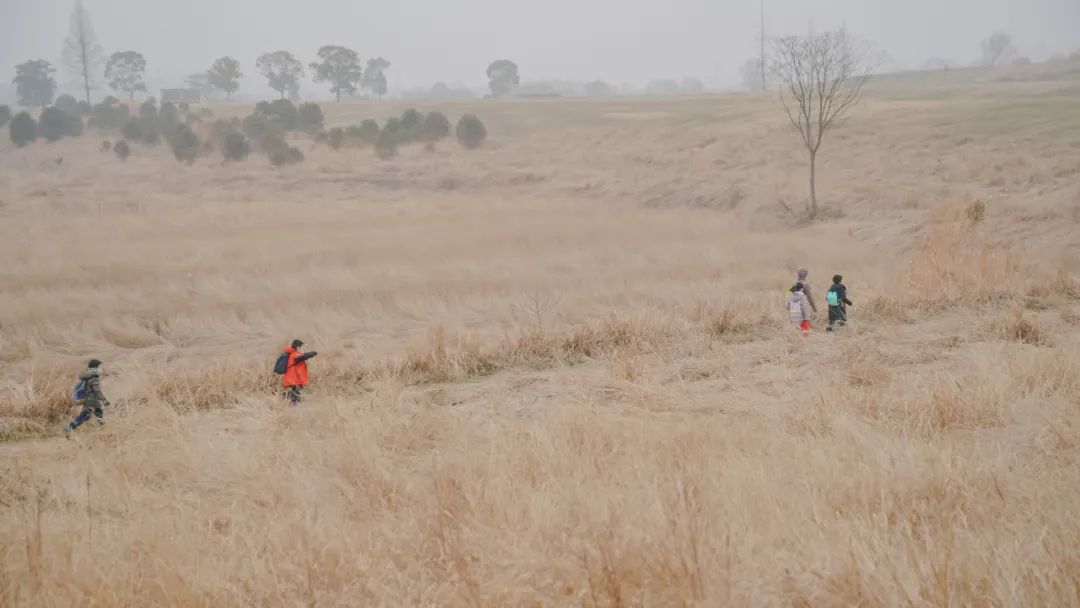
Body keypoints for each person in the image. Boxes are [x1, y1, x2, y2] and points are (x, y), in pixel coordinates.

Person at [65, 359, 109, 438]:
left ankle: (104, 429)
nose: (101, 369)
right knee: (89, 414)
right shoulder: (94, 377)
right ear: (96, 367)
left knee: (94, 413)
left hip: (88, 399)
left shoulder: (88, 376)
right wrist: (104, 400)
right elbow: (97, 390)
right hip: (93, 400)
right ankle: (70, 427)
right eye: (100, 367)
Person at [282, 339, 318, 406]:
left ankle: (286, 410)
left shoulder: (290, 354)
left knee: (291, 399)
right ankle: (294, 413)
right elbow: (303, 357)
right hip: (295, 381)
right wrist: (312, 353)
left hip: (290, 381)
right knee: (295, 401)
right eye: (301, 346)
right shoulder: (294, 355)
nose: (301, 348)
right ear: (298, 347)